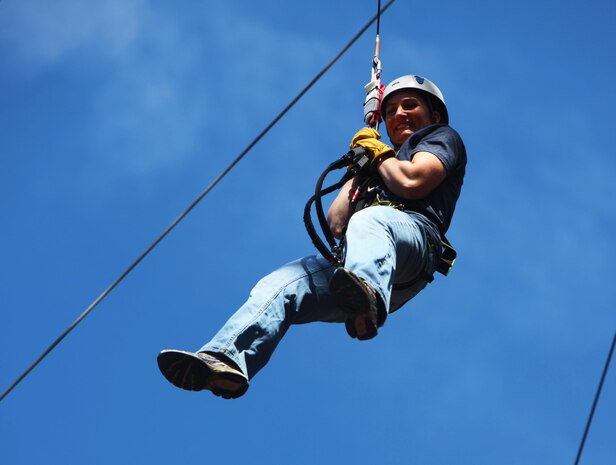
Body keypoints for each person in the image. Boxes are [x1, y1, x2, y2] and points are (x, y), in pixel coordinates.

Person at [157, 75, 467, 399]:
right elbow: (336, 222)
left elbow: (413, 182)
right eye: (389, 109)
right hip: (359, 262)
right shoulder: (379, 162)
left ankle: (368, 297)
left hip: (412, 243)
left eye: (410, 105)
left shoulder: (440, 137)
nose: (398, 114)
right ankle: (227, 359)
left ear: (434, 115)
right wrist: (360, 168)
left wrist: (379, 156)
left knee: (372, 218)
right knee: (281, 284)